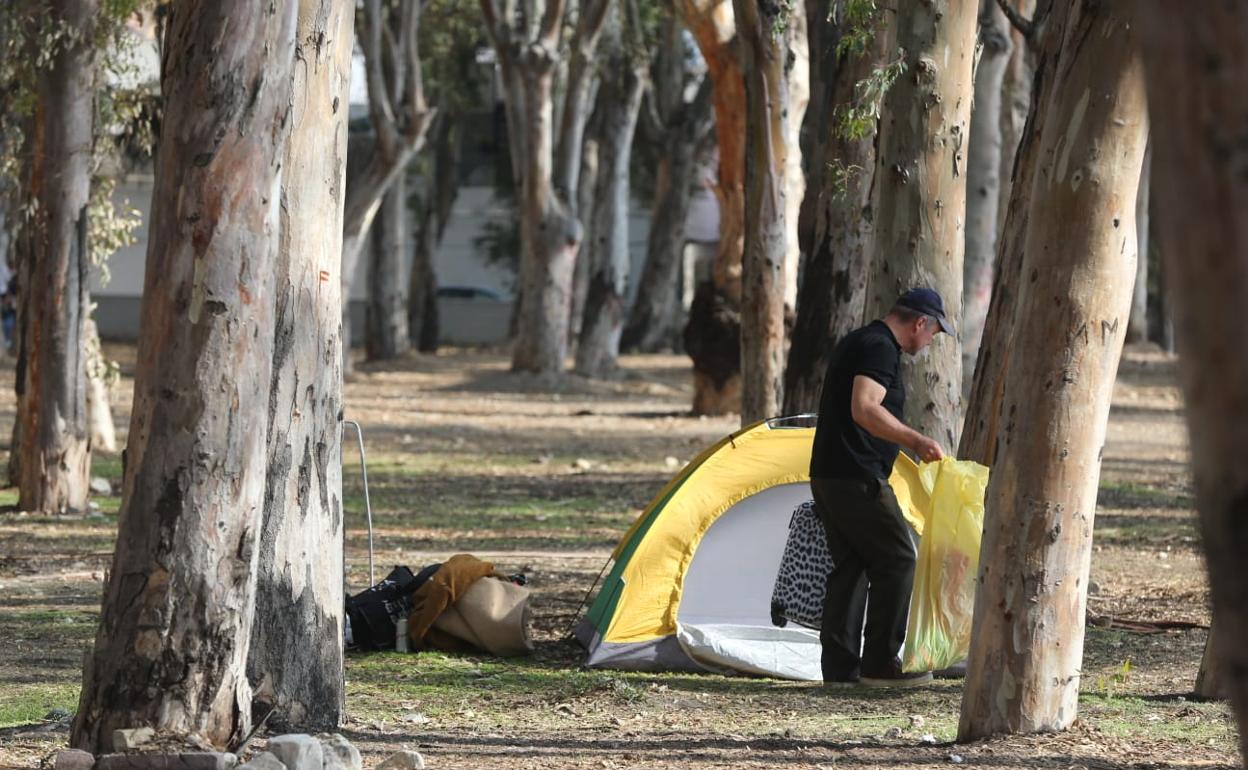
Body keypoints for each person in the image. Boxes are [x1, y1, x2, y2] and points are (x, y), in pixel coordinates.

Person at [809, 287, 952, 687]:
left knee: (851, 566)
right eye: (934, 333)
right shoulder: (880, 347)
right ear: (919, 322)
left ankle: (839, 671)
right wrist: (916, 441)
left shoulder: (861, 340)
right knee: (899, 559)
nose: (930, 343)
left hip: (829, 474)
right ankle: (879, 664)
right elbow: (865, 406)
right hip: (857, 476)